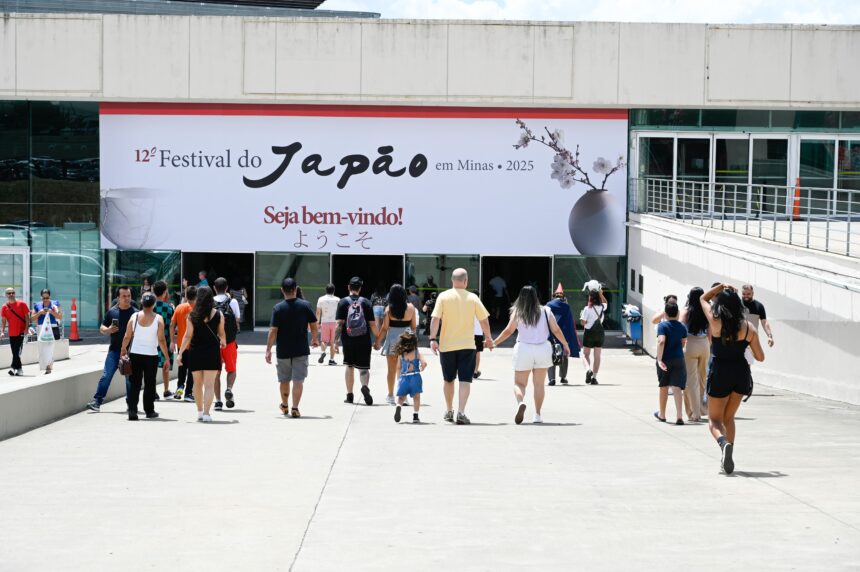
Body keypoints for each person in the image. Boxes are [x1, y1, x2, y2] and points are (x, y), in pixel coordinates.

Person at [700, 283, 765, 474]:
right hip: (741, 374)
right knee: (729, 417)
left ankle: (723, 445)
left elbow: (702, 298)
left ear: (720, 305)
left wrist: (719, 287)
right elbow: (760, 357)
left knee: (714, 420)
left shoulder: (716, 322)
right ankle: (728, 452)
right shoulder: (748, 327)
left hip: (721, 371)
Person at [492, 286, 570, 424]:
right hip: (543, 349)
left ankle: (521, 402)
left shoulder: (518, 311)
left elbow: (508, 331)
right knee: (539, 384)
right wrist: (565, 344)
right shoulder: (546, 311)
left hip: (523, 349)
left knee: (519, 383)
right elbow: (556, 330)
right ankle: (537, 415)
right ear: (536, 296)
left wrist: (494, 342)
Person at [429, 268, 493, 425]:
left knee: (448, 379)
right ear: (466, 281)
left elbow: (435, 319)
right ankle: (461, 412)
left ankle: (449, 410)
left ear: (452, 280)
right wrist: (489, 338)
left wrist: (432, 338)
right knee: (465, 380)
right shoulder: (473, 298)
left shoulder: (443, 297)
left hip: (447, 346)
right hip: (467, 346)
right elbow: (484, 320)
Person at [266, 277, 319, 418]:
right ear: (296, 289)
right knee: (298, 380)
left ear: (282, 290)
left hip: (283, 350)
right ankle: (295, 408)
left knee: (284, 380)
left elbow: (273, 330)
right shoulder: (305, 305)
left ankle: (284, 405)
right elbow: (314, 324)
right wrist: (315, 339)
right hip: (301, 349)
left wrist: (268, 350)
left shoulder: (278, 308)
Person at [177, 286, 225, 423]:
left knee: (197, 384)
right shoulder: (219, 314)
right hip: (212, 352)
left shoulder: (192, 316)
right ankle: (206, 413)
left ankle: (199, 412)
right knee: (209, 385)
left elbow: (187, 336)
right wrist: (224, 342)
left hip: (195, 351)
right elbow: (221, 334)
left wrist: (180, 354)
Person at [120, 293, 170, 421]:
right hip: (151, 356)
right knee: (150, 383)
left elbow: (127, 336)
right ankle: (149, 410)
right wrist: (166, 357)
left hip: (135, 354)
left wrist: (123, 349)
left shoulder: (134, 316)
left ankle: (132, 411)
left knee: (134, 383)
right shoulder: (158, 318)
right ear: (154, 304)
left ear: (141, 302)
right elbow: (161, 340)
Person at [87, 286, 137, 411]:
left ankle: (131, 404)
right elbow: (102, 328)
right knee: (106, 376)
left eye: (129, 296)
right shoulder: (112, 312)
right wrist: (108, 330)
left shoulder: (136, 313)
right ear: (118, 298)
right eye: (124, 296)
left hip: (130, 352)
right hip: (114, 351)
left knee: (129, 380)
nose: (127, 298)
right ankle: (97, 401)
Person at [336, 277, 380, 405]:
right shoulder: (366, 302)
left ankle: (349, 395)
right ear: (360, 288)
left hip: (348, 339)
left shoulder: (343, 302)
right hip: (364, 339)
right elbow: (372, 325)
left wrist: (335, 341)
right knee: (364, 368)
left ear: (348, 287)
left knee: (349, 366)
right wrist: (377, 339)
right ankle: (364, 386)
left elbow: (339, 324)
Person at [378, 284, 418, 405]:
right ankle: (403, 397)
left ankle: (390, 396)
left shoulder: (388, 309)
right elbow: (414, 327)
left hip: (392, 340)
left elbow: (385, 328)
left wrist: (377, 341)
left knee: (391, 370)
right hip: (406, 340)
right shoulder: (411, 308)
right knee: (404, 370)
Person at [654, 300, 688, 425]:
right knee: (677, 387)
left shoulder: (662, 326)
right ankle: (679, 416)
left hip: (666, 360)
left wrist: (659, 359)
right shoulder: (682, 326)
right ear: (678, 313)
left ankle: (662, 414)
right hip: (679, 359)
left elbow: (661, 341)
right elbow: (684, 341)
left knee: (663, 386)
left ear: (665, 314)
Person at [212, 277, 241, 411]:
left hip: (214, 343)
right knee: (232, 370)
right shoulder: (233, 301)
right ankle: (229, 389)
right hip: (229, 342)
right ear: (227, 287)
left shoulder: (210, 302)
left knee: (216, 373)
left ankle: (217, 401)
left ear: (214, 288)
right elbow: (237, 319)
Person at [680, 287, 709, 422]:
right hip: (704, 344)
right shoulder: (706, 310)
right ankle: (702, 409)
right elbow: (710, 330)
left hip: (690, 344)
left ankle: (694, 413)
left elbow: (681, 331)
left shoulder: (686, 312)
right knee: (702, 378)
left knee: (691, 380)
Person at [546, 284, 581, 386]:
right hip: (564, 334)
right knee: (564, 355)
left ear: (554, 295)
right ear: (563, 296)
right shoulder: (566, 306)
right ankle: (563, 377)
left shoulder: (548, 305)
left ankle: (552, 379)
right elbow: (570, 323)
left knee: (551, 355)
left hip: (551, 333)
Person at [392, 329, 426, 424]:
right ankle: (415, 416)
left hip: (404, 377)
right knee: (416, 397)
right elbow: (424, 363)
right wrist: (422, 366)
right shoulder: (417, 353)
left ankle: (398, 406)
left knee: (401, 398)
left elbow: (398, 367)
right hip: (415, 377)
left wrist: (399, 379)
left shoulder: (401, 355)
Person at [171, 285, 197, 402]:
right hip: (193, 344)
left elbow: (172, 325)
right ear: (196, 296)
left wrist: (172, 340)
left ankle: (179, 387)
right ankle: (188, 393)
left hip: (181, 344)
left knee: (182, 368)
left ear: (185, 296)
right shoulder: (197, 308)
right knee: (192, 370)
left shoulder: (179, 307)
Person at [151, 280, 175, 398]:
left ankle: (153, 391)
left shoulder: (150, 307)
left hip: (152, 340)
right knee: (165, 364)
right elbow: (172, 326)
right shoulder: (169, 308)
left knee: (152, 366)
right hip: (165, 339)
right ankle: (166, 390)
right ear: (165, 292)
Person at [31, 289, 62, 374]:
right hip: (41, 327)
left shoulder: (55, 303)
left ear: (49, 297)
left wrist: (51, 312)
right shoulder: (37, 305)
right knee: (42, 347)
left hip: (51, 327)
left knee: (50, 347)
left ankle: (48, 366)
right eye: (43, 298)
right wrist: (40, 313)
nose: (45, 300)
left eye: (47, 298)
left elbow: (60, 317)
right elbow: (32, 318)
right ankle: (44, 365)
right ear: (41, 297)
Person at [580, 288, 607, 385]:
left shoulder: (587, 309)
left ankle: (588, 370)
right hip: (600, 333)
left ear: (590, 297)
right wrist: (601, 294)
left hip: (589, 333)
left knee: (585, 354)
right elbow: (605, 302)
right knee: (597, 356)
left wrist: (586, 321)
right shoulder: (602, 307)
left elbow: (583, 322)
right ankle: (594, 378)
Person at [1, 287, 30, 376]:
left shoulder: (22, 304)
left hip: (21, 331)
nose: (11, 294)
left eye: (13, 292)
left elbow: (27, 317)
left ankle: (13, 368)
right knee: (14, 351)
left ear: (15, 293)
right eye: (9, 293)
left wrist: (26, 328)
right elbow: (3, 320)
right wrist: (2, 331)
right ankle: (19, 369)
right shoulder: (4, 307)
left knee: (17, 351)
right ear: (6, 295)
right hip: (11, 332)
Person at [315, 283, 340, 366]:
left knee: (324, 341)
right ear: (334, 291)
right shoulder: (337, 299)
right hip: (334, 322)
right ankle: (331, 360)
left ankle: (323, 352)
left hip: (324, 322)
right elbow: (339, 313)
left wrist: (317, 322)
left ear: (326, 290)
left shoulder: (321, 299)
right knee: (332, 342)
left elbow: (318, 312)